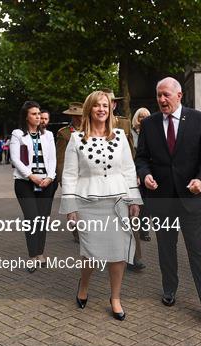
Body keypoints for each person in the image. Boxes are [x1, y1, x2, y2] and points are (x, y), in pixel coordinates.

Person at [135, 77, 201, 318]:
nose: (162, 99)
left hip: (192, 198)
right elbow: (141, 157)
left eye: (166, 95)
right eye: (159, 95)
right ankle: (169, 289)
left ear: (179, 95)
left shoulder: (198, 119)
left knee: (198, 250)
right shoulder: (149, 124)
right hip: (161, 199)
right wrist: (145, 174)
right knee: (166, 248)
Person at [59, 91, 141, 321]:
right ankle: (83, 284)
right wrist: (70, 206)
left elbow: (128, 170)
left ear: (110, 109)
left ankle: (115, 298)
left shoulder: (120, 137)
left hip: (117, 202)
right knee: (91, 254)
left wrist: (134, 199)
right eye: (97, 106)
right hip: (87, 204)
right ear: (89, 110)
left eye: (105, 105)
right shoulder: (76, 139)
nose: (102, 109)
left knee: (118, 252)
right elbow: (69, 176)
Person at [10, 101, 57, 273]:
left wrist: (50, 177)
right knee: (32, 218)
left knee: (43, 219)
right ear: (26, 116)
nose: (38, 117)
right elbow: (15, 159)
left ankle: (40, 253)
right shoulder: (18, 134)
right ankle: (32, 256)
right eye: (34, 114)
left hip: (47, 183)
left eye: (39, 114)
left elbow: (52, 158)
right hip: (25, 183)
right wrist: (31, 177)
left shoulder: (48, 135)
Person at [56, 102, 83, 243]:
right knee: (73, 203)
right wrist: (61, 178)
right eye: (75, 116)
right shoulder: (64, 133)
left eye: (80, 115)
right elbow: (60, 158)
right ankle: (76, 231)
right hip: (71, 174)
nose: (78, 118)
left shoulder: (90, 130)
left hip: (86, 174)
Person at [130, 107, 153, 245]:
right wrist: (136, 174)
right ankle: (136, 229)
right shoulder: (131, 134)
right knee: (136, 203)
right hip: (134, 173)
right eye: (140, 116)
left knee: (147, 205)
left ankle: (144, 230)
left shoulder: (152, 132)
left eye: (146, 116)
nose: (143, 119)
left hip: (148, 174)